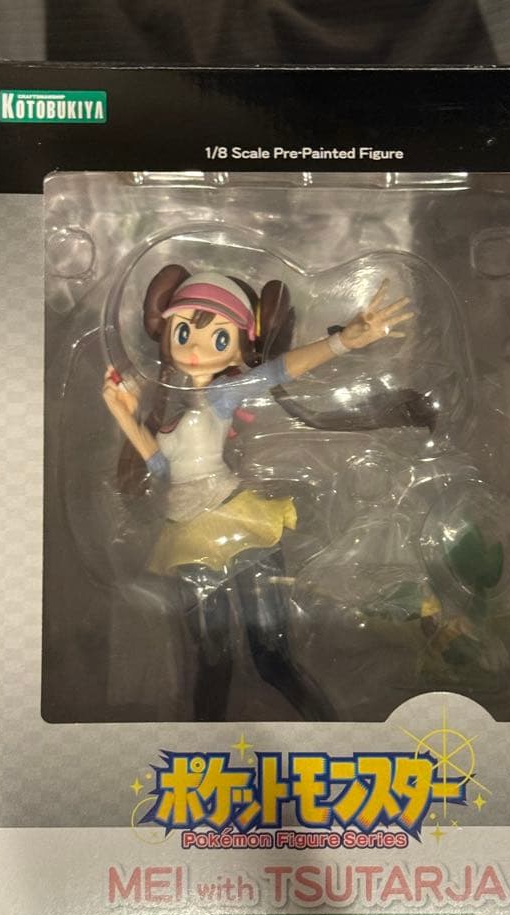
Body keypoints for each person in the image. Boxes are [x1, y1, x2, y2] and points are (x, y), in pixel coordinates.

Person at [102, 264, 413, 722]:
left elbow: (276, 371)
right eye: (184, 332)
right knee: (212, 662)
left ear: (237, 349)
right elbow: (162, 468)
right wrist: (124, 414)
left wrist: (344, 341)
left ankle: (329, 732)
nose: (195, 349)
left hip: (237, 524)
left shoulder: (221, 396)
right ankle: (203, 748)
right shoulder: (167, 412)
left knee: (270, 658)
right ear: (165, 333)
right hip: (187, 537)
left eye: (218, 338)